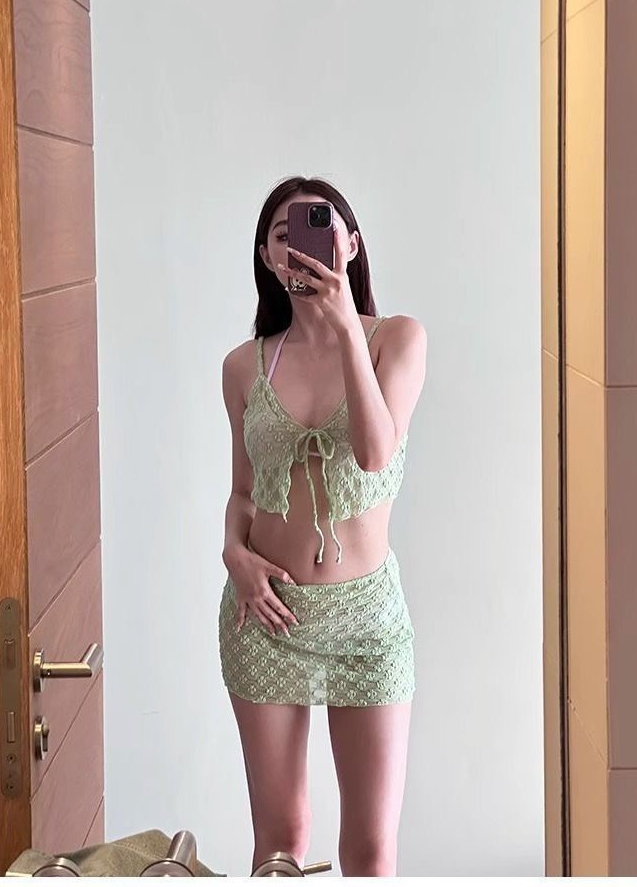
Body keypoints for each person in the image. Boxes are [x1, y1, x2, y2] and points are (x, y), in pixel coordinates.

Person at [217, 176, 427, 877]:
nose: (298, 244)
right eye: (282, 234)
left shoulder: (398, 339)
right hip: (266, 615)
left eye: (317, 226)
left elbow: (373, 453)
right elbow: (243, 493)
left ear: (351, 244)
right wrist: (233, 555)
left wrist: (342, 327)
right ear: (267, 257)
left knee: (370, 850)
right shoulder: (244, 365)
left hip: (368, 620)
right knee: (282, 839)